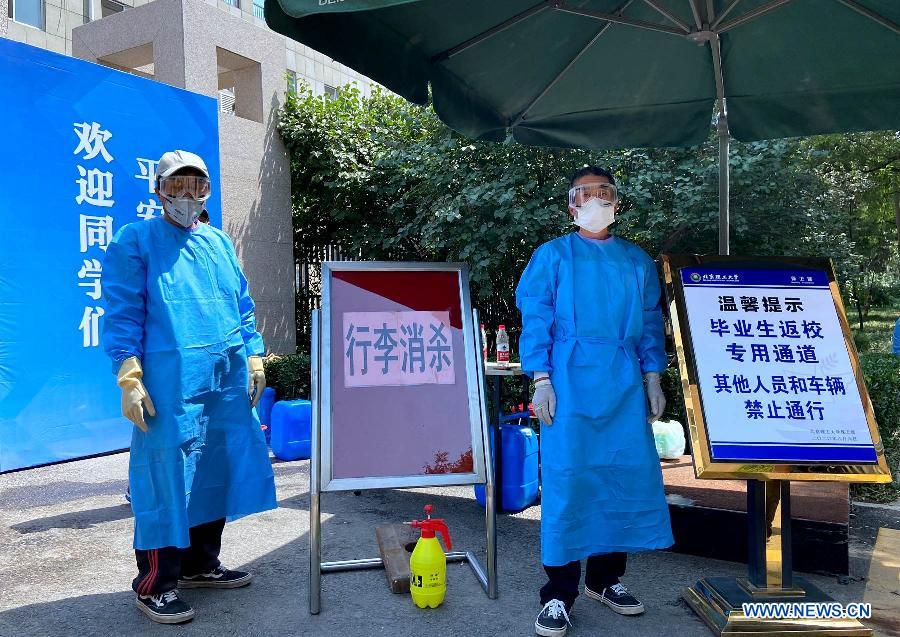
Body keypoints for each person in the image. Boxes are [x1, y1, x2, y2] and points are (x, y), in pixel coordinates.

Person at [102, 150, 277, 624]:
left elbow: (241, 302)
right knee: (164, 476)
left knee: (212, 468)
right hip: (169, 385)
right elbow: (122, 313)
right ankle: (155, 583)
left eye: (195, 186)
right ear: (159, 190)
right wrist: (129, 376)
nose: (185, 196)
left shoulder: (218, 242)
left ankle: (202, 563)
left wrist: (254, 354)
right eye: (175, 187)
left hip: (222, 380)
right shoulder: (136, 240)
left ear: (206, 191)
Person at [516, 167, 673, 637]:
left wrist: (652, 377)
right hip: (567, 381)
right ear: (571, 206)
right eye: (587, 195)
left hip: (623, 382)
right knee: (569, 478)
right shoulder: (554, 256)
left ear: (617, 202)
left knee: (620, 476)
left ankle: (606, 580)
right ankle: (559, 593)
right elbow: (537, 318)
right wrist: (541, 378)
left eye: (604, 194)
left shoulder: (635, 260)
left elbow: (649, 323)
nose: (596, 201)